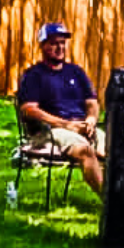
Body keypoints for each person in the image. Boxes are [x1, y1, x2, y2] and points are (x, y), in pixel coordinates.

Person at [15, 22, 105, 194]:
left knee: (116, 151)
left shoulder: (76, 72)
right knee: (85, 151)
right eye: (54, 43)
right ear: (42, 46)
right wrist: (66, 125)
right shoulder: (34, 75)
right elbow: (29, 109)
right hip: (51, 130)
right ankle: (110, 206)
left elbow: (92, 102)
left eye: (63, 43)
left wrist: (91, 120)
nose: (60, 47)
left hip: (82, 126)